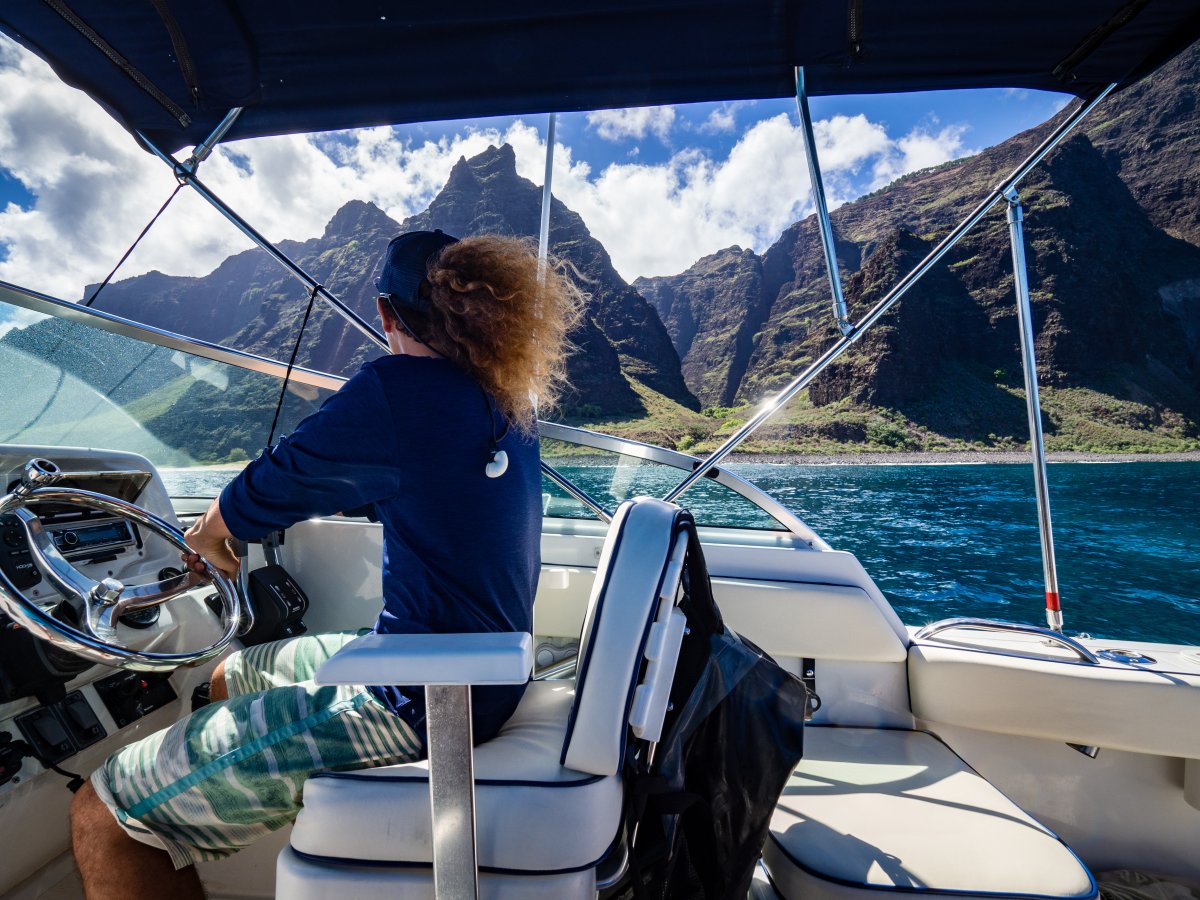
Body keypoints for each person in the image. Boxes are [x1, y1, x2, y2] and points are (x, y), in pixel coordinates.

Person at [69, 230, 583, 900]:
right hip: (467, 668)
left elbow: (272, 484)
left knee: (102, 811)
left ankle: (183, 809)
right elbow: (419, 493)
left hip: (420, 699)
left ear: (385, 314)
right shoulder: (503, 402)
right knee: (230, 673)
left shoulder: (401, 391)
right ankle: (261, 808)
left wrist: (213, 534)